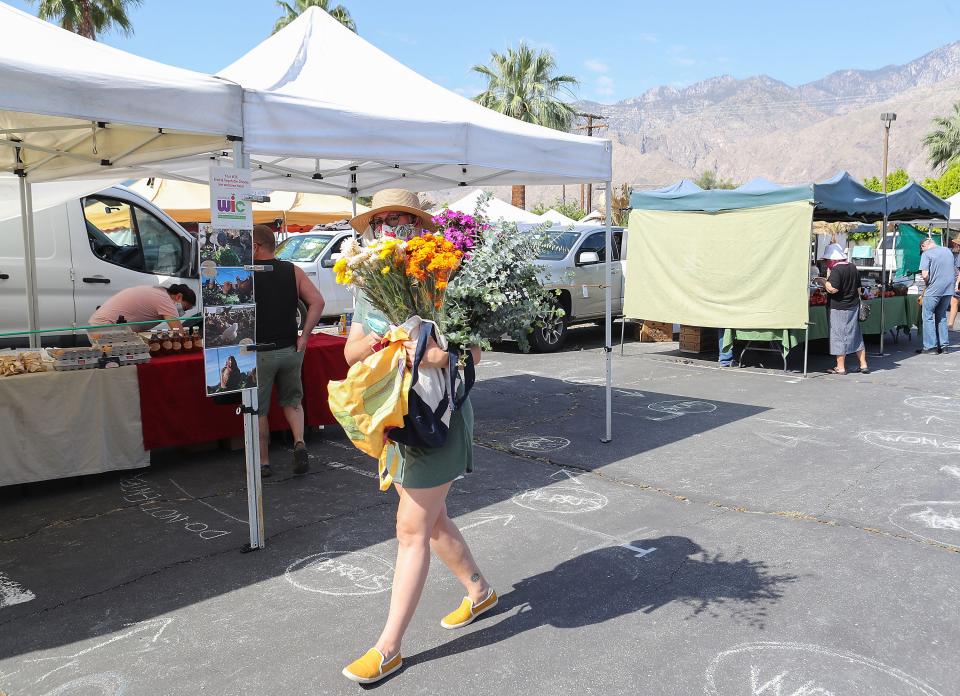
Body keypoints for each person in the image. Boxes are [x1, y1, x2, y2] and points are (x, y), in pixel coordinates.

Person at [341, 189, 493, 685]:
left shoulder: (444, 277)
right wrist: (390, 340)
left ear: (418, 225)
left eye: (401, 218)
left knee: (411, 528)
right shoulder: (370, 282)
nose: (390, 226)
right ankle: (479, 591)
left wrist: (437, 355)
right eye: (381, 220)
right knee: (430, 521)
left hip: (439, 419)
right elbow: (350, 352)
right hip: (396, 416)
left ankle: (389, 648)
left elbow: (473, 351)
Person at [252, 224, 326, 477]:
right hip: (291, 348)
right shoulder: (292, 270)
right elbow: (317, 301)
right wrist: (304, 335)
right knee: (293, 401)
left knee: (258, 409)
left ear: (255, 246)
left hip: (258, 351)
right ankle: (299, 442)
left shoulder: (245, 274)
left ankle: (263, 462)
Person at [821, 244, 868, 375]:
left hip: (839, 308)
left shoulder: (837, 270)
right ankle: (863, 364)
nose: (826, 263)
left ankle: (840, 367)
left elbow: (833, 289)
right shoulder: (852, 267)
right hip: (853, 306)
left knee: (838, 336)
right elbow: (859, 290)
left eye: (826, 260)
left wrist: (823, 281)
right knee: (856, 335)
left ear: (832, 260)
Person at [88, 284, 195, 329]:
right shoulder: (166, 300)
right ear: (179, 297)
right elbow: (178, 332)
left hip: (100, 325)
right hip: (106, 327)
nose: (183, 312)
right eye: (185, 308)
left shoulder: (159, 292)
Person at [917, 237, 954, 354]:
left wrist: (927, 283)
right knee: (942, 316)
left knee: (927, 317)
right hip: (948, 290)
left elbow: (924, 274)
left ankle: (930, 346)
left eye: (922, 249)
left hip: (933, 290)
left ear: (923, 246)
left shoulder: (926, 254)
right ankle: (944, 346)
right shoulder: (947, 251)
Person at [948, 240, 960, 330]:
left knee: (954, 301)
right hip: (956, 280)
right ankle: (950, 324)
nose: (956, 245)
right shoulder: (957, 255)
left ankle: (951, 325)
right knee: (954, 302)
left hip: (958, 281)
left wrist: (957, 283)